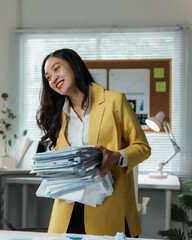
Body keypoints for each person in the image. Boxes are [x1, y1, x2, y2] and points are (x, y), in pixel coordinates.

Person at [36, 49, 151, 237]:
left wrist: (116, 156)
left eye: (57, 69)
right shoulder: (58, 115)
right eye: (48, 77)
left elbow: (143, 148)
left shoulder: (115, 101)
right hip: (67, 207)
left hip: (107, 205)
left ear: (74, 65)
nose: (53, 79)